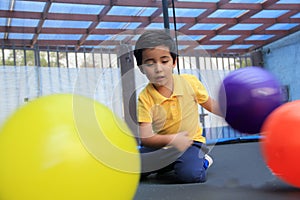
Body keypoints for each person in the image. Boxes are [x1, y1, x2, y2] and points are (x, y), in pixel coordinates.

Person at [133, 30, 221, 183]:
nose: (158, 68)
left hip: (190, 143)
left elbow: (212, 105)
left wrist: (235, 114)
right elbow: (146, 138)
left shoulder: (190, 82)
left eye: (164, 61)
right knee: (132, 169)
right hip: (162, 146)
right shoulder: (145, 97)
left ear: (174, 62)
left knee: (190, 174)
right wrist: (172, 139)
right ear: (141, 68)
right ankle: (167, 165)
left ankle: (204, 160)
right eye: (150, 63)